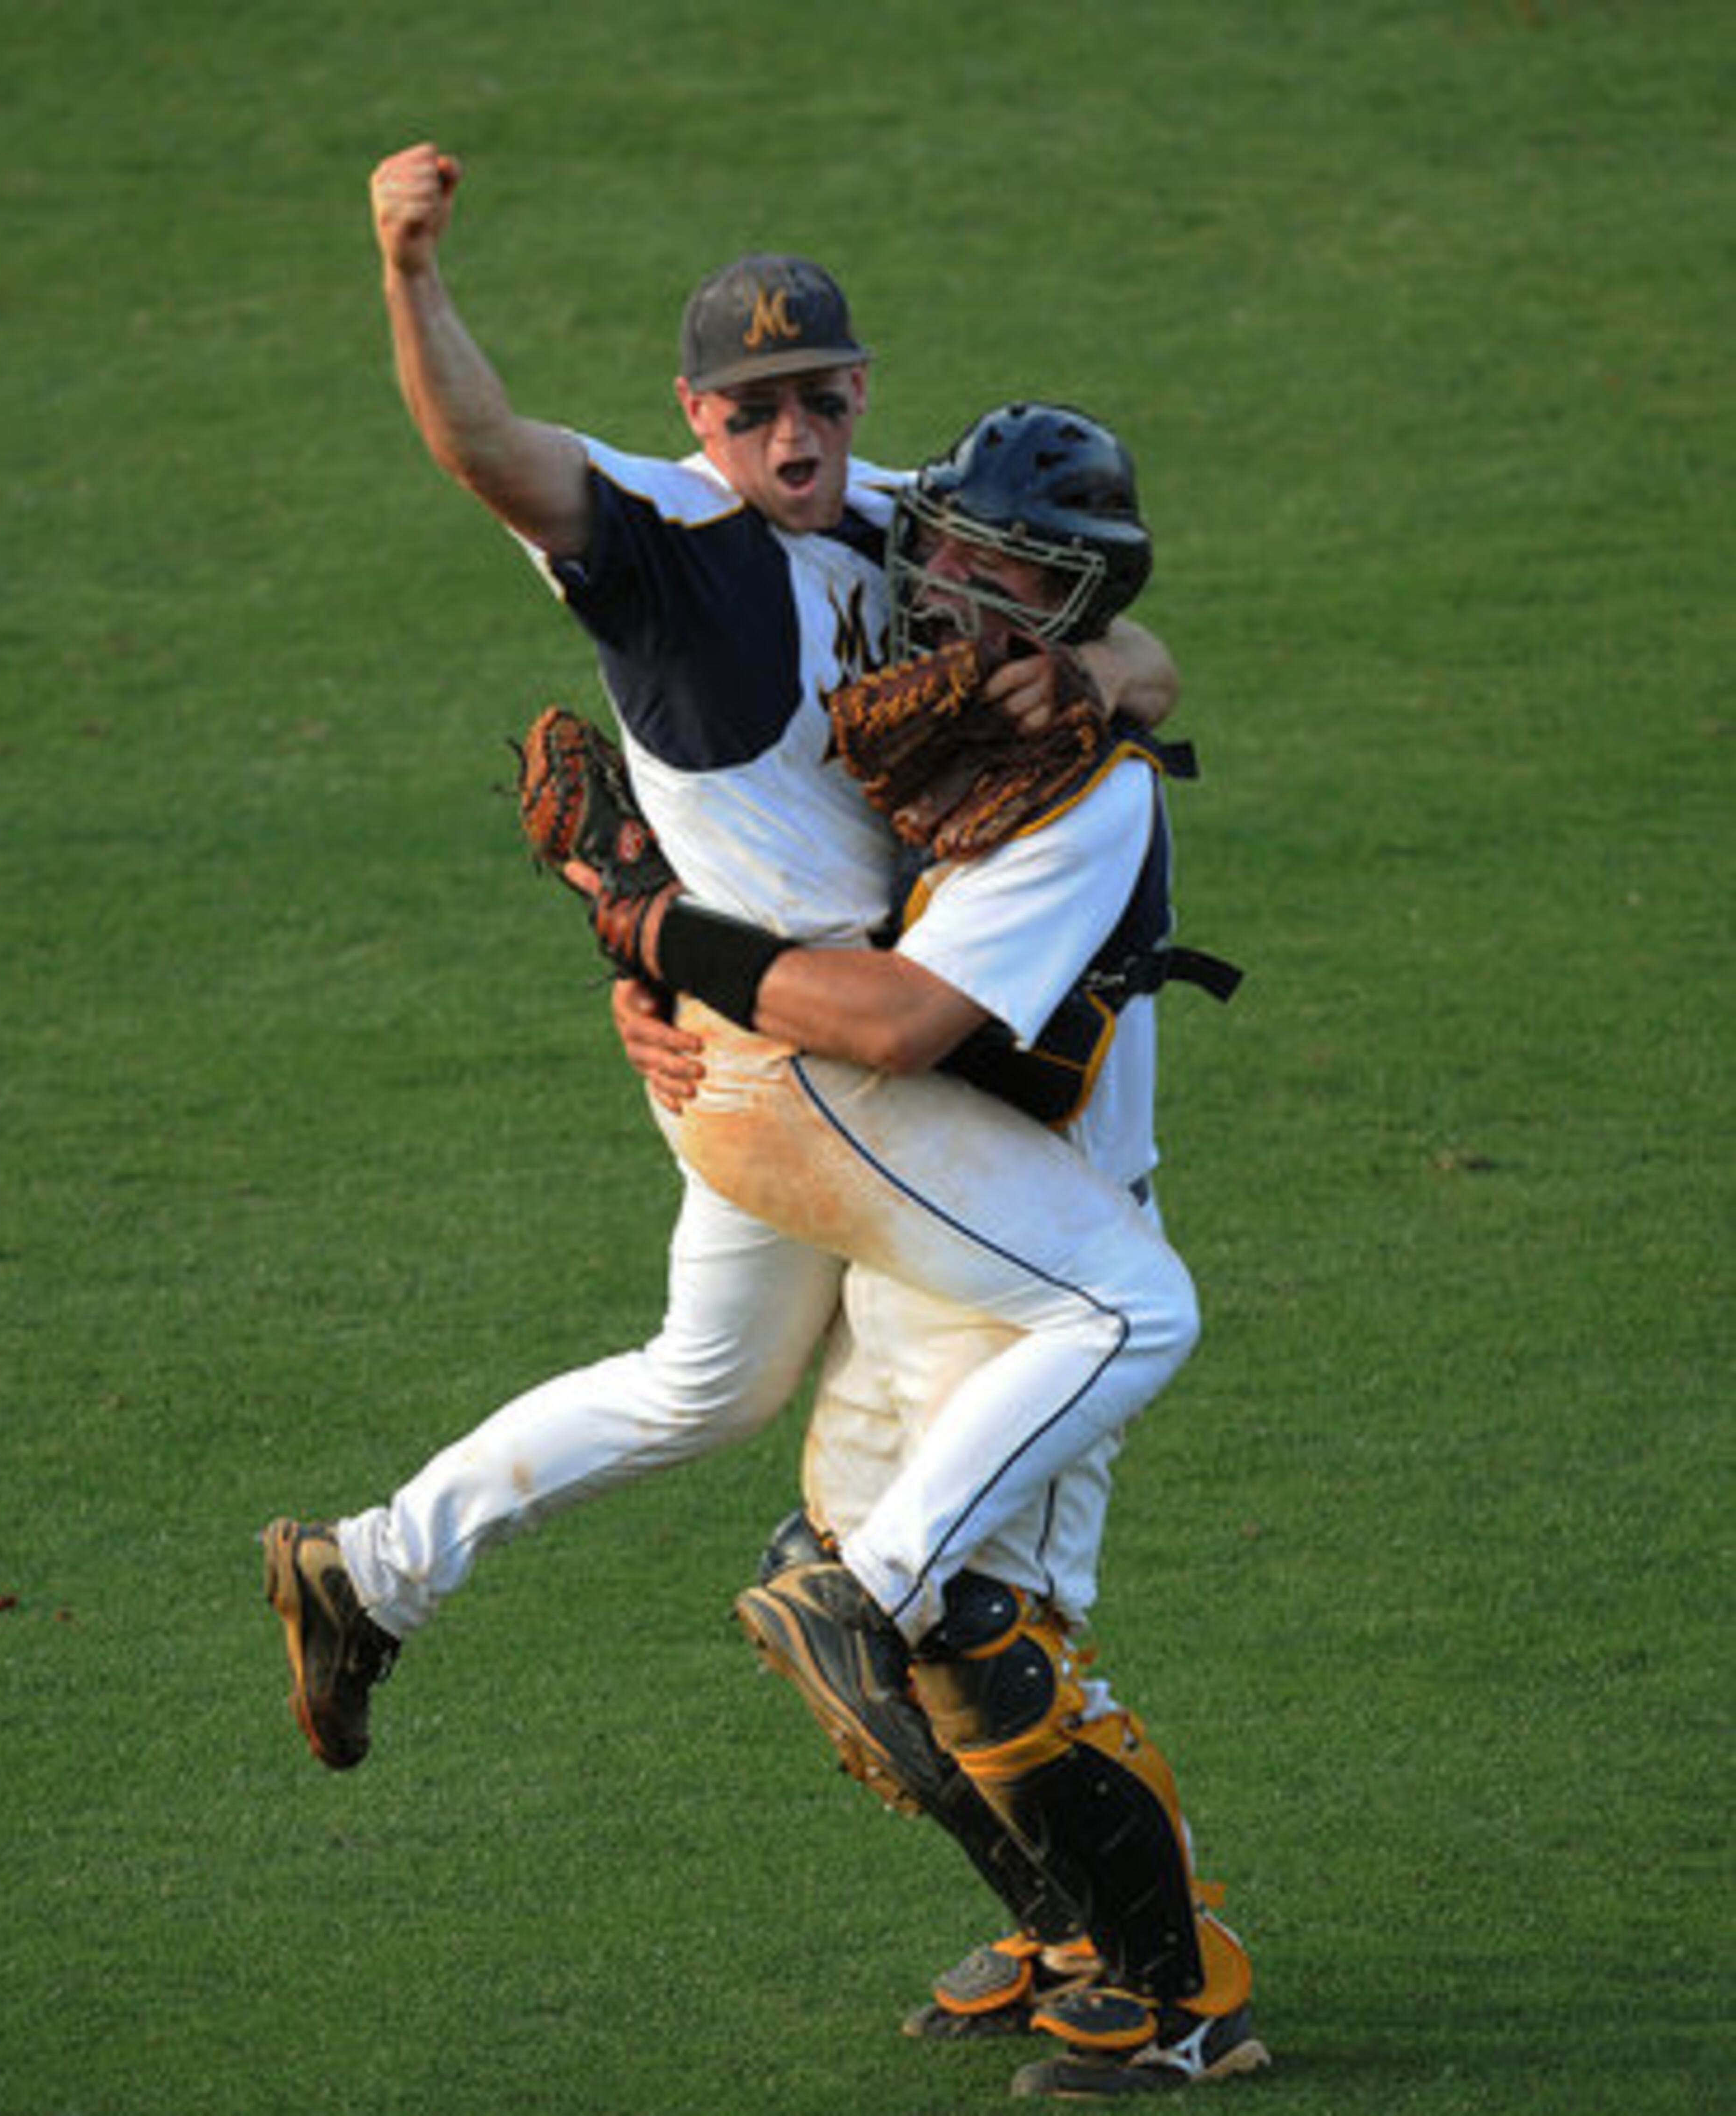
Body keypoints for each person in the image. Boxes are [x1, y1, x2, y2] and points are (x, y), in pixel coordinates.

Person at [262, 143, 1197, 1776]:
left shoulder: (902, 511)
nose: (792, 437)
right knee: (1123, 1308)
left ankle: (371, 1564)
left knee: (707, 1383)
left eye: (818, 399)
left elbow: (1141, 641)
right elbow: (481, 446)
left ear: (857, 392)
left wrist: (1102, 673)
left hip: (781, 1038)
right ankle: (870, 1593)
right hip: (819, 1053)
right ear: (696, 414)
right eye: (752, 406)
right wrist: (410, 272)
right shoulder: (653, 535)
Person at [605, 407, 1267, 2099]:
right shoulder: (932, 711)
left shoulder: (1074, 778)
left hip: (1047, 1244)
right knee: (828, 1586)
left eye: (1011, 576)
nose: (957, 586)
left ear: (1069, 607)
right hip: (923, 1221)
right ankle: (1067, 1933)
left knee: (972, 1623)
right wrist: (658, 982)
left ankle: (1184, 1988)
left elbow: (902, 1017)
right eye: (952, 548)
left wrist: (663, 935)